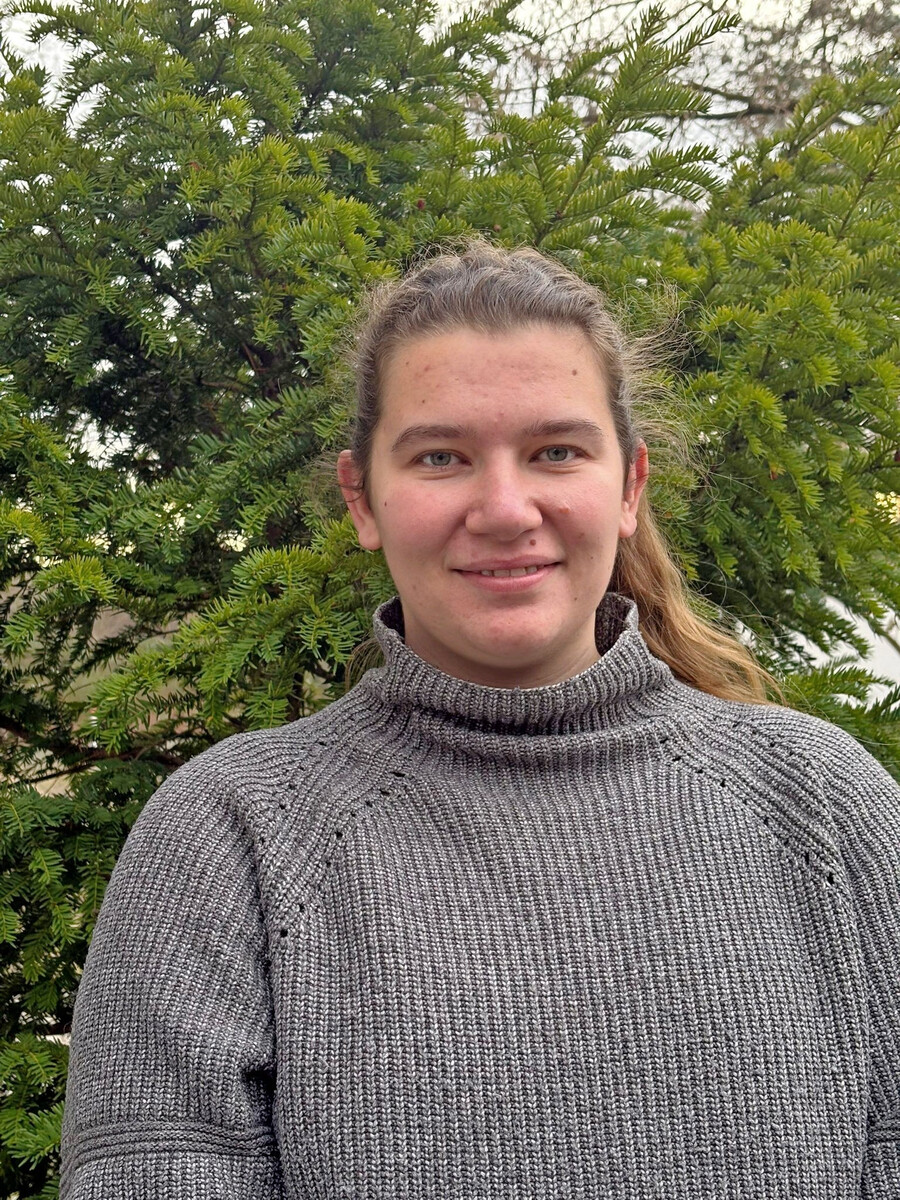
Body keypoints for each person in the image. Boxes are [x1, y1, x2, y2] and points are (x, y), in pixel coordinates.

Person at [60, 243, 900, 1199]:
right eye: (441, 458)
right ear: (362, 500)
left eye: (556, 452)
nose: (504, 509)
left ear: (630, 487)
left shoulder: (827, 809)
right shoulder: (230, 835)